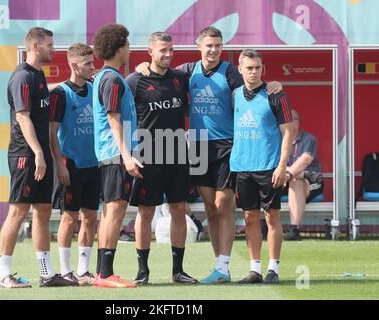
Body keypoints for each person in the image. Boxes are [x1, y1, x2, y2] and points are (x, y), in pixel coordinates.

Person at [136, 26, 282, 284]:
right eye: (209, 45)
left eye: (218, 45)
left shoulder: (230, 73)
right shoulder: (186, 72)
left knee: (223, 206)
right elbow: (159, 71)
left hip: (227, 146)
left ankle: (224, 267)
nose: (213, 50)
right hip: (199, 145)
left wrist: (273, 84)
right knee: (209, 208)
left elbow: (253, 88)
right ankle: (219, 267)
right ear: (199, 46)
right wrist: (141, 67)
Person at [0, 27, 73, 288]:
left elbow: (41, 103)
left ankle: (47, 273)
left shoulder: (38, 75)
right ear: (36, 47)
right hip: (25, 155)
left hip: (40, 155)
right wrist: (39, 153)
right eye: (50, 45)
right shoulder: (21, 77)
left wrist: (67, 83)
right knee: (18, 212)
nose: (54, 49)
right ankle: (2, 274)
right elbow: (22, 116)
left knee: (42, 211)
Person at [126, 32, 198, 285]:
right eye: (162, 50)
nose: (167, 55)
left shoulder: (180, 78)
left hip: (178, 152)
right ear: (150, 51)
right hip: (148, 155)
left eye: (171, 50)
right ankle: (142, 271)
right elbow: (120, 116)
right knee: (145, 212)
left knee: (179, 209)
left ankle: (178, 271)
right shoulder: (135, 80)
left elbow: (206, 72)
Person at [231, 49, 293, 284]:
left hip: (269, 166)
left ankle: (273, 269)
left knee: (272, 216)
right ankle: (255, 270)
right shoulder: (234, 94)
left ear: (262, 69)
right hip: (242, 165)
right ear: (240, 69)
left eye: (257, 67)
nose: (254, 72)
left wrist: (282, 166)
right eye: (249, 68)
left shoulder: (276, 94)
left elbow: (288, 132)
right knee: (249, 217)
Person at [92, 23, 141, 288]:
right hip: (115, 154)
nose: (130, 49)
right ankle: (105, 275)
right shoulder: (111, 79)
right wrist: (127, 156)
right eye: (128, 44)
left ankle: (103, 273)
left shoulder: (105, 76)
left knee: (111, 211)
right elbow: (113, 119)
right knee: (114, 211)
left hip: (111, 154)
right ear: (120, 47)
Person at [49, 43, 99, 285]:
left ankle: (83, 269)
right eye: (88, 63)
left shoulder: (95, 89)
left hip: (94, 164)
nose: (93, 67)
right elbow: (52, 133)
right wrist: (60, 165)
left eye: (93, 62)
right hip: (72, 164)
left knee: (90, 216)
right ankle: (66, 270)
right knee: (69, 217)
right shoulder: (60, 94)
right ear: (73, 65)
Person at [283, 109, 324, 241]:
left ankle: (294, 230)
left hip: (312, 182)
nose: (284, 123)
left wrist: (289, 173)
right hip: (285, 180)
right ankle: (265, 225)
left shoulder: (309, 139)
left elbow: (306, 159)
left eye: (289, 120)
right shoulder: (279, 140)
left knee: (296, 181)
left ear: (296, 124)